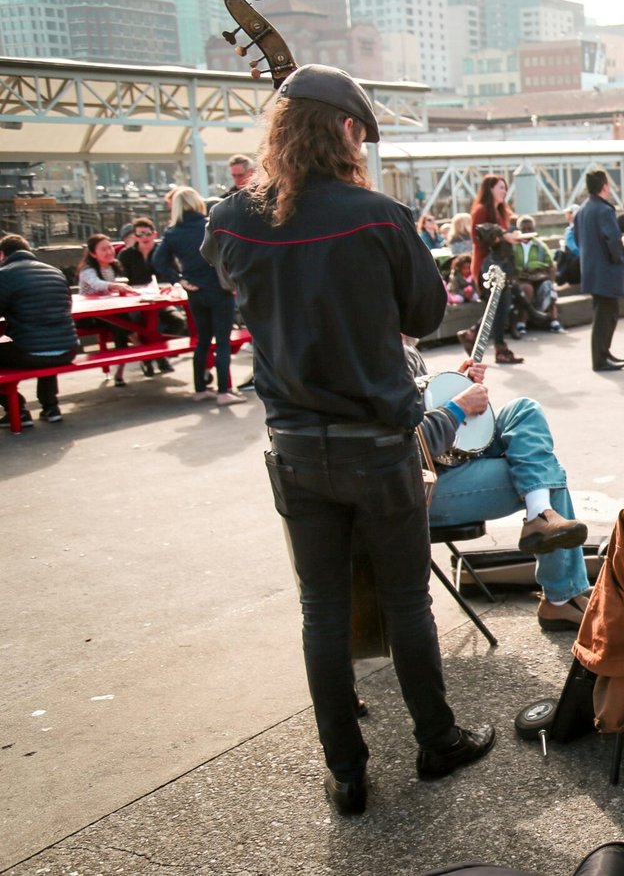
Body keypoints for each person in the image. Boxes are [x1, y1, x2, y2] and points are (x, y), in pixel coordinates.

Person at [201, 64, 494, 814]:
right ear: (343, 131)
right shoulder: (377, 217)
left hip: (295, 446)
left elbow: (223, 254)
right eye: (359, 129)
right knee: (405, 601)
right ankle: (436, 740)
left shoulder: (235, 219)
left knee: (321, 610)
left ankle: (346, 769)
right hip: (377, 445)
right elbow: (426, 314)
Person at [409, 341, 590, 629]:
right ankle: (561, 597)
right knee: (542, 474)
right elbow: (409, 447)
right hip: (424, 488)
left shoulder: (400, 346)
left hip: (445, 461)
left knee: (524, 410)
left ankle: (540, 517)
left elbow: (422, 414)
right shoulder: (381, 350)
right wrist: (458, 406)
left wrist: (450, 388)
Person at [156, 187, 244, 406]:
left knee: (202, 340)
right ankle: (224, 391)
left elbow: (159, 261)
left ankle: (200, 389)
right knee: (222, 342)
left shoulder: (173, 232)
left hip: (194, 291)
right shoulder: (209, 225)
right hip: (219, 289)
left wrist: (179, 279)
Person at [0, 234, 77, 425]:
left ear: (2, 255)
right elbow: (67, 306)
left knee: (36, 345)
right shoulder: (55, 271)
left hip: (32, 353)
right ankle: (51, 407)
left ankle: (17, 410)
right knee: (45, 340)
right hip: (68, 349)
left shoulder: (6, 274)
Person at [466, 175, 522, 365]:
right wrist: (502, 237)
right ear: (490, 189)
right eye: (500, 188)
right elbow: (477, 237)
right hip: (487, 265)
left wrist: (508, 236)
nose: (504, 191)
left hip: (499, 264)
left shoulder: (500, 211)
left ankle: (474, 334)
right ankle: (499, 348)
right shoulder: (482, 210)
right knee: (499, 305)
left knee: (500, 305)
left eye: (505, 188)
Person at [576, 167, 624, 373]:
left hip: (591, 269)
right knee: (607, 315)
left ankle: (604, 353)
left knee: (603, 313)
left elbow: (579, 240)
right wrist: (620, 259)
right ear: (605, 186)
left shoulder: (583, 209)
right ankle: (600, 358)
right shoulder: (605, 210)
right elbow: (613, 240)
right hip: (606, 270)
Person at [76, 233, 140, 387]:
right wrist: (115, 286)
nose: (109, 251)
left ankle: (121, 370)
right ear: (93, 253)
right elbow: (97, 284)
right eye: (103, 249)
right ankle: (139, 346)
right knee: (122, 324)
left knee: (121, 324)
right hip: (89, 315)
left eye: (110, 247)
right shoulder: (88, 270)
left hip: (111, 311)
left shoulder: (114, 266)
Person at [117, 216, 176, 378]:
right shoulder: (126, 255)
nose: (144, 238)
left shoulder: (162, 252)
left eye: (147, 234)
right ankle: (156, 358)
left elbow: (172, 275)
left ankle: (156, 354)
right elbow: (123, 279)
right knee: (141, 324)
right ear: (134, 236)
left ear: (154, 234)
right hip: (135, 300)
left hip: (161, 298)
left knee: (177, 321)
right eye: (140, 235)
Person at [505, 216, 563, 334]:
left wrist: (551, 280)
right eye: (524, 229)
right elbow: (509, 264)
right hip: (520, 277)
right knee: (527, 289)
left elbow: (551, 265)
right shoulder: (513, 246)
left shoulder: (540, 246)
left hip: (539, 276)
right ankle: (522, 322)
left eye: (529, 228)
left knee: (548, 287)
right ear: (519, 229)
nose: (527, 231)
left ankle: (553, 320)